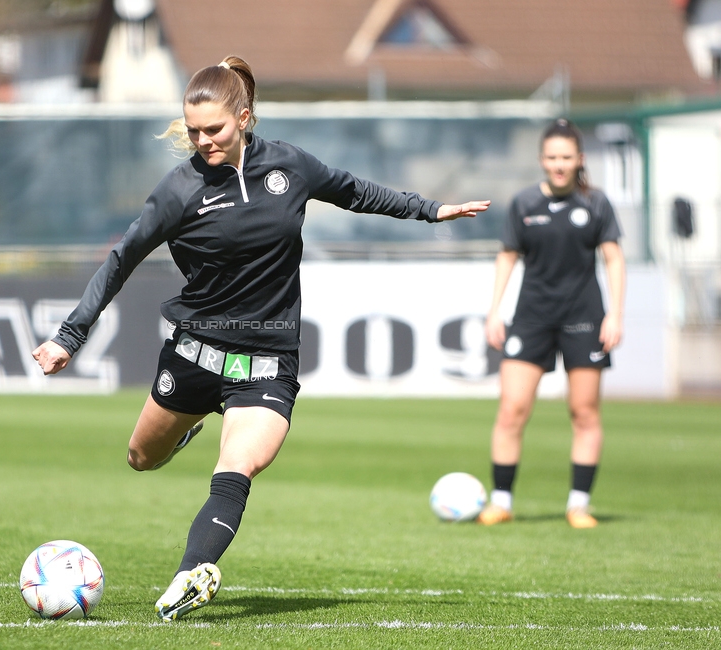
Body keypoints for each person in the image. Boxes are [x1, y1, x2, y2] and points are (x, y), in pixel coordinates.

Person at [32, 55, 490, 621]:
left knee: (236, 469)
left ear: (244, 117)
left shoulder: (289, 167)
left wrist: (431, 210)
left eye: (214, 129)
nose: (202, 141)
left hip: (269, 359)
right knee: (140, 457)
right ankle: (188, 424)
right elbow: (122, 260)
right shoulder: (178, 191)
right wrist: (68, 337)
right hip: (195, 351)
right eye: (193, 131)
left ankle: (190, 574)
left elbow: (355, 191)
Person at [477, 118, 625, 529]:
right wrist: (495, 310)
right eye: (552, 157)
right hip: (532, 317)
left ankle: (579, 505)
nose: (559, 164)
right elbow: (507, 256)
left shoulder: (597, 204)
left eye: (566, 157)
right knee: (512, 410)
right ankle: (501, 501)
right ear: (542, 160)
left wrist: (615, 313)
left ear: (579, 159)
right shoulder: (524, 204)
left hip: (584, 317)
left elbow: (614, 258)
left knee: (583, 412)